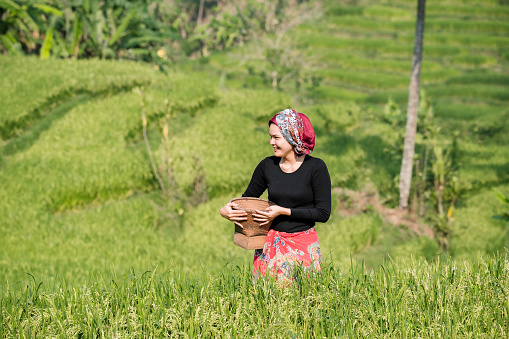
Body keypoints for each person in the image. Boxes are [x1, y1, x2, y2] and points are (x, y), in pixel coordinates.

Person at [220, 108, 331, 280]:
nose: (271, 142)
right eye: (270, 137)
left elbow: (323, 213)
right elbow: (247, 200)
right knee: (268, 301)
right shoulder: (267, 166)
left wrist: (283, 211)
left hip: (303, 244)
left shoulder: (316, 168)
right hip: (270, 246)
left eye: (276, 137)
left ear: (292, 137)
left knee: (303, 299)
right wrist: (227, 210)